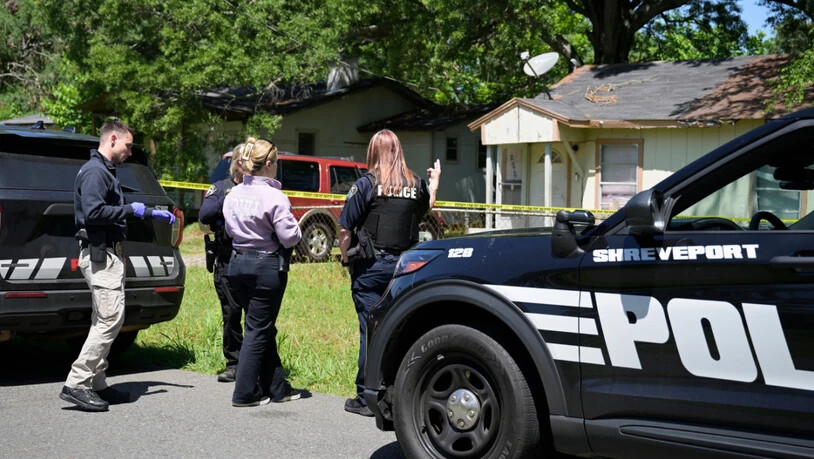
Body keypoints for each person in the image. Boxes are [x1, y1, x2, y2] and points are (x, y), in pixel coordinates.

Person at [60, 120, 176, 412]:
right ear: (112, 139)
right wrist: (129, 209)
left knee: (104, 320)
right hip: (100, 255)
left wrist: (147, 211)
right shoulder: (95, 172)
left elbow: (108, 207)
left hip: (109, 255)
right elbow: (94, 212)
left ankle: (96, 383)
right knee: (110, 320)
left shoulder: (104, 171)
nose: (129, 151)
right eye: (127, 145)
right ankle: (77, 383)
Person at [338, 129, 441, 416]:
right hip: (406, 269)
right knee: (401, 330)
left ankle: (366, 397)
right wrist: (434, 184)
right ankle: (404, 392)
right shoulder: (416, 183)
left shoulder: (367, 184)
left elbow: (345, 227)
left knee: (371, 331)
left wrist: (347, 259)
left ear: (373, 152)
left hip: (372, 269)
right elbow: (426, 209)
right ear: (398, 151)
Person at [223, 137, 303, 407]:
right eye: (276, 163)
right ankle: (244, 392)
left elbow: (228, 229)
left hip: (236, 264)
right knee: (258, 329)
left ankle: (278, 387)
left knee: (261, 326)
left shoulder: (233, 194)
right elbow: (290, 237)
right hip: (265, 266)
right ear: (268, 164)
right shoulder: (274, 196)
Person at [200, 145, 246, 383]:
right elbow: (204, 216)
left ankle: (254, 363)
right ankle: (234, 362)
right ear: (238, 163)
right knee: (232, 313)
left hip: (251, 259)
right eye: (245, 161)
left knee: (255, 315)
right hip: (227, 259)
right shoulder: (220, 188)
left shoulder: (254, 189)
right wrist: (226, 201)